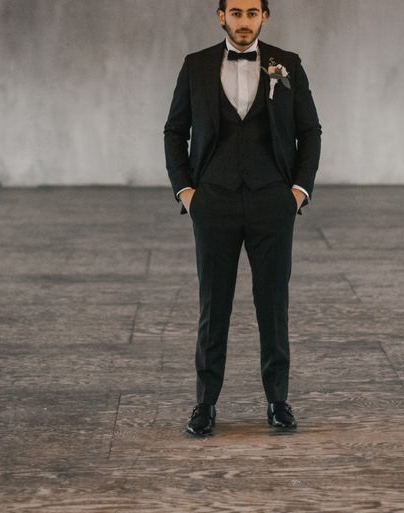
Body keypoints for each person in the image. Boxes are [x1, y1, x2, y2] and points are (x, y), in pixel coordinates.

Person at [164, 0, 321, 436]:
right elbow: (175, 131)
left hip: (273, 202)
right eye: (236, 12)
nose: (244, 21)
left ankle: (278, 401)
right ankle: (204, 404)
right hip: (212, 202)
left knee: (274, 304)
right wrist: (187, 193)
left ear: (264, 17)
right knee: (213, 306)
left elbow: (310, 130)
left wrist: (297, 193)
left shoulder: (286, 64)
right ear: (221, 17)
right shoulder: (195, 66)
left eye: (253, 12)